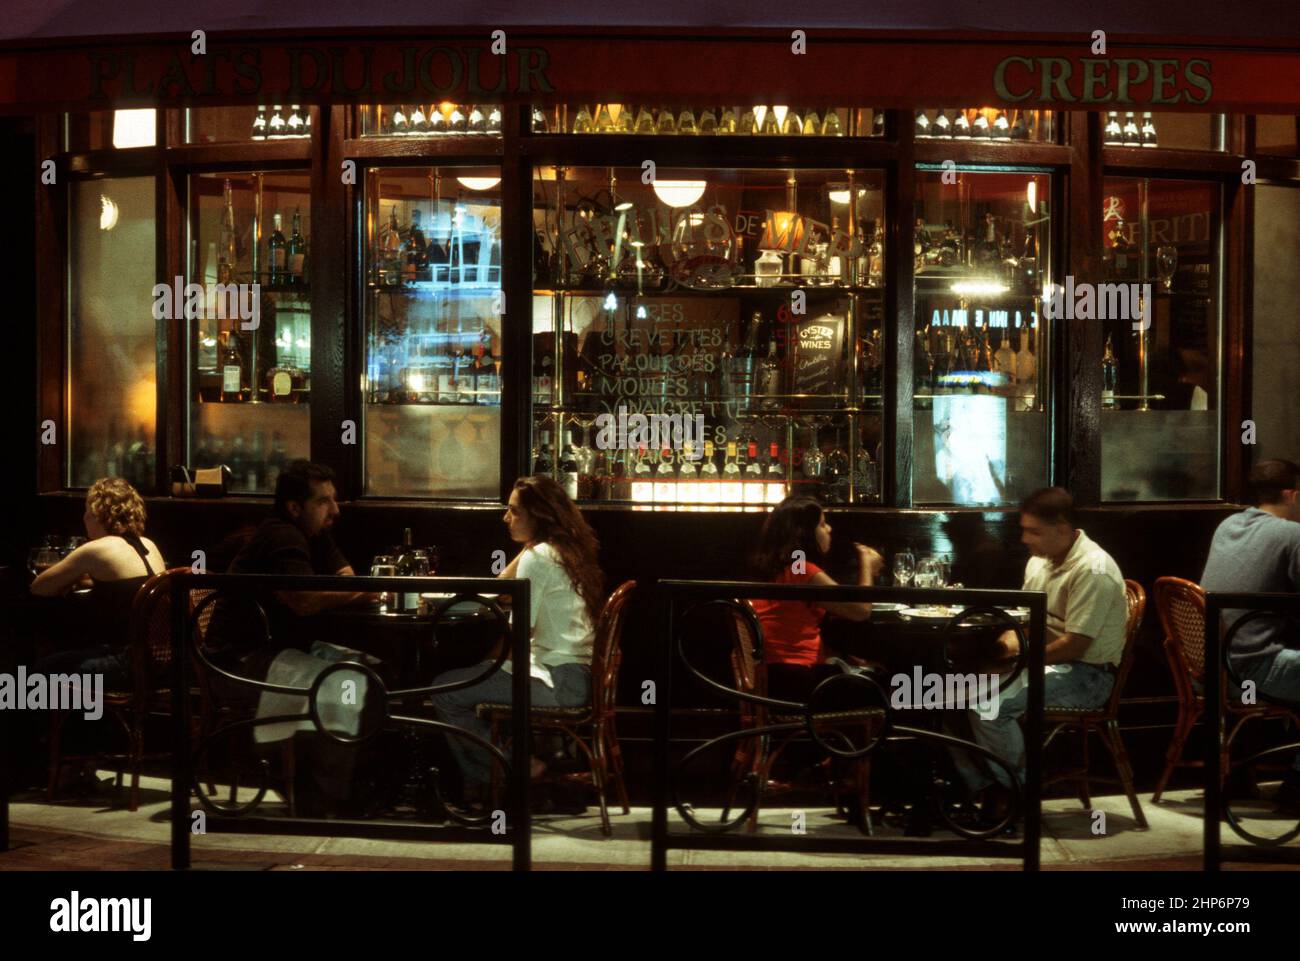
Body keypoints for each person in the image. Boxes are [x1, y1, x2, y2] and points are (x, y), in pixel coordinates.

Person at [205, 460, 379, 817]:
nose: (335, 510)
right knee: (342, 682)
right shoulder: (282, 535)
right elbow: (304, 600)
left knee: (372, 672)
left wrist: (352, 588)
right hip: (236, 662)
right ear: (294, 507)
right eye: (323, 502)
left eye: (334, 500)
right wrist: (362, 593)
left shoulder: (314, 532)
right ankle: (320, 795)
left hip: (277, 651)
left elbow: (342, 574)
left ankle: (353, 787)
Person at [950, 487, 1127, 820]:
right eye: (1023, 529)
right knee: (948, 693)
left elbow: (1075, 645)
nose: (1024, 539)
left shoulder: (1093, 569)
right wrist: (998, 654)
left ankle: (1017, 795)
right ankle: (989, 789)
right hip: (1049, 664)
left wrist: (1013, 664)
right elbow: (1027, 624)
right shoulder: (1040, 562)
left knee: (989, 704)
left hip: (1087, 674)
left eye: (1033, 531)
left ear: (1062, 529)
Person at [431, 475, 604, 809]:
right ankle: (500, 784)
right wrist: (525, 550)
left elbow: (519, 631)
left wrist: (487, 666)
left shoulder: (539, 557)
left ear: (537, 516)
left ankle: (511, 775)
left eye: (513, 511)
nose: (505, 518)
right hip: (576, 676)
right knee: (476, 677)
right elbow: (502, 586)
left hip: (560, 681)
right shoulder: (560, 550)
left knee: (446, 691)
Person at [1201, 458, 1300, 809]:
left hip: (1208, 670)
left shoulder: (1228, 525)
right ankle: (1296, 790)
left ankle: (1241, 776)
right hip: (1249, 674)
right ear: (1292, 495)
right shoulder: (1291, 534)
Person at [31, 477, 167, 690]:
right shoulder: (148, 544)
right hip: (161, 663)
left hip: (126, 665)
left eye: (86, 510)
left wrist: (73, 578)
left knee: (43, 669)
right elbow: (124, 586)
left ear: (97, 514)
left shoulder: (96, 549)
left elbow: (39, 588)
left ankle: (69, 723)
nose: (84, 517)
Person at [747, 495, 883, 704]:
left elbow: (790, 630)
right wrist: (866, 563)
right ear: (805, 533)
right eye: (821, 524)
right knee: (884, 681)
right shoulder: (801, 569)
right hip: (797, 682)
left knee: (867, 671)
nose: (829, 529)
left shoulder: (770, 568)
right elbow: (861, 611)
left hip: (770, 677)